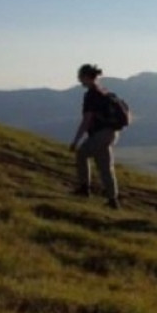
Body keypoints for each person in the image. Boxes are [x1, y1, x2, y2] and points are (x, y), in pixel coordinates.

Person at [69, 64, 120, 209]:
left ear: (86, 77)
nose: (79, 80)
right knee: (105, 166)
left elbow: (87, 120)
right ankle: (113, 200)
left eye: (80, 77)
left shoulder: (91, 95)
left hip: (100, 134)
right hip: (112, 133)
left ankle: (84, 188)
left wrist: (76, 140)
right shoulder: (103, 91)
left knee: (81, 154)